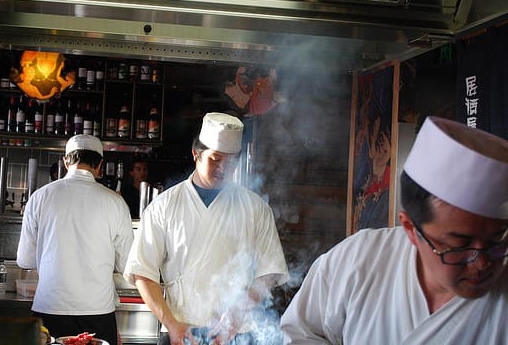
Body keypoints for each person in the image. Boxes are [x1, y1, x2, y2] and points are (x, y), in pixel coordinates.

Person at [280, 116, 508, 344]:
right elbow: (300, 333)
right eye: (460, 244)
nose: (482, 263)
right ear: (410, 227)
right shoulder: (359, 260)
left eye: (496, 239)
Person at [124, 112, 289, 345]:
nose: (223, 167)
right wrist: (171, 325)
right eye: (215, 159)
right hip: (179, 330)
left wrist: (235, 315)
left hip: (237, 332)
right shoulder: (164, 206)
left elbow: (268, 272)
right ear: (196, 153)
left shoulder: (255, 207)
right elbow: (143, 273)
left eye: (231, 161)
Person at [17, 134, 134, 345]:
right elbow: (127, 264)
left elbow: (25, 261)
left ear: (65, 162)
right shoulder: (115, 202)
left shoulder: (40, 197)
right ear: (100, 165)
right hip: (98, 310)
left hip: (49, 306)